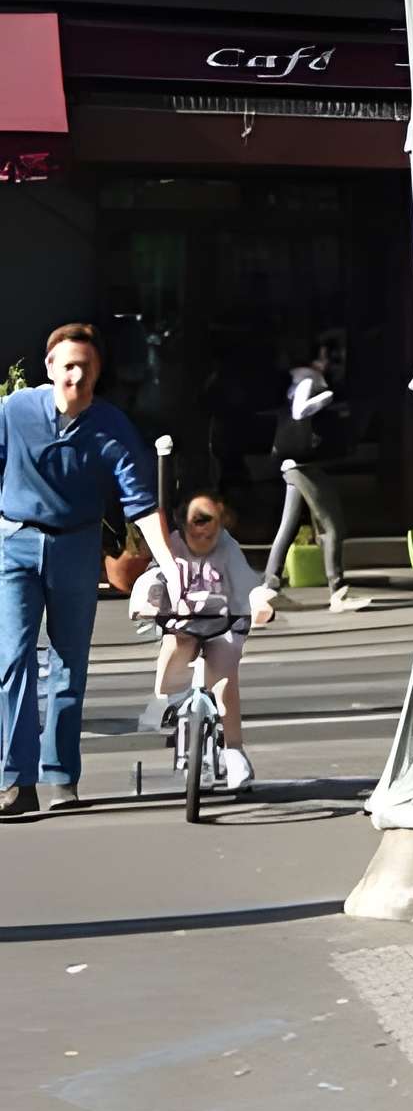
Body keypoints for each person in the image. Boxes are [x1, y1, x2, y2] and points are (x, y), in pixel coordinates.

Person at [0, 324, 182, 817]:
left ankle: (61, 776)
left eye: (85, 366)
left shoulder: (110, 426)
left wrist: (171, 567)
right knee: (12, 662)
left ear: (96, 374)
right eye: (67, 364)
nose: (75, 374)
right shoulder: (15, 412)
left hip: (76, 549)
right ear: (50, 369)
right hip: (16, 543)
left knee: (67, 664)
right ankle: (15, 780)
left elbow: (140, 503)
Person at [130, 493, 271, 796]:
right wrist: (148, 601)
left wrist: (259, 602)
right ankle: (166, 698)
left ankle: (234, 750)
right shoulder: (173, 546)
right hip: (183, 622)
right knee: (176, 651)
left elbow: (247, 581)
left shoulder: (228, 547)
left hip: (223, 622)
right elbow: (154, 577)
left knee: (224, 679)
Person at [263, 331, 364, 612]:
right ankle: (338, 591)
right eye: (324, 353)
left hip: (293, 464)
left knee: (289, 525)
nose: (329, 359)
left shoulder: (297, 379)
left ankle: (269, 586)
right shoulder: (309, 379)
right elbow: (300, 412)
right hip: (305, 465)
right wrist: (328, 398)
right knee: (332, 525)